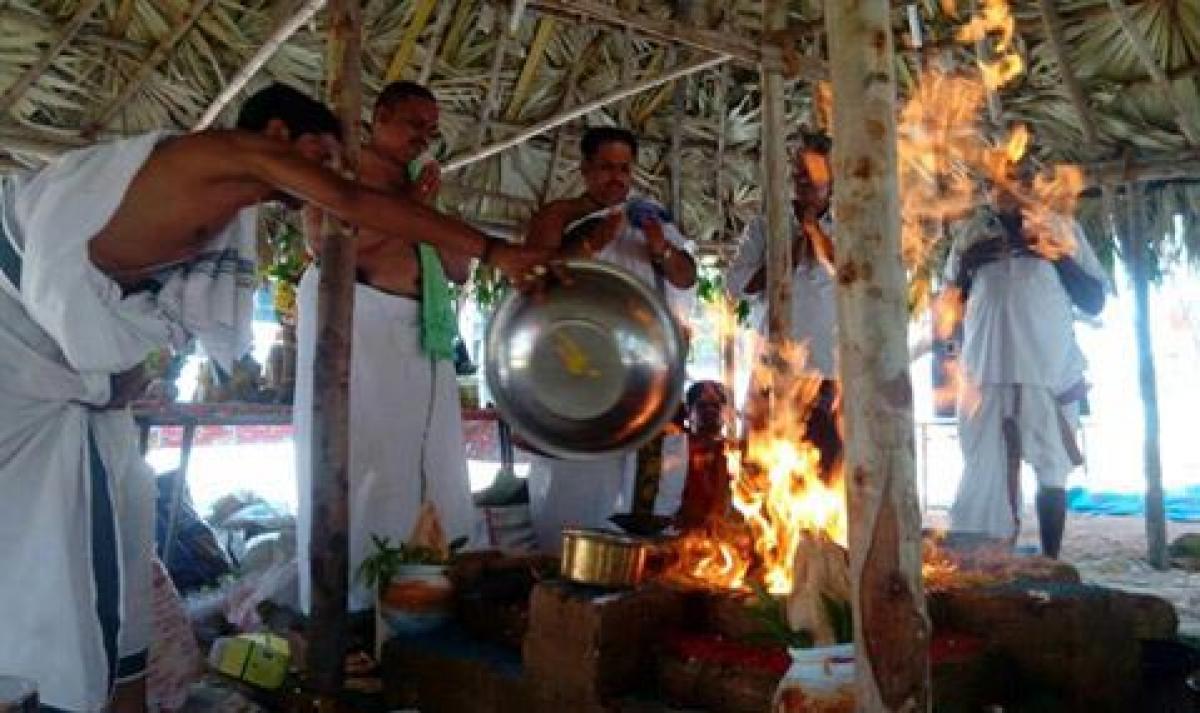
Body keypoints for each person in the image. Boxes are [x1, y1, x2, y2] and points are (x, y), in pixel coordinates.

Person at [0, 82, 543, 713]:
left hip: (65, 388)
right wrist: (497, 248)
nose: (328, 173)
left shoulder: (228, 210)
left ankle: (119, 697)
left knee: (117, 557)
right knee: (66, 571)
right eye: (321, 154)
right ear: (280, 135)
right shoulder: (226, 153)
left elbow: (130, 306)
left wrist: (115, 371)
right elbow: (347, 200)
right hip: (23, 371)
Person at [294, 81, 479, 613]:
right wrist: (410, 207)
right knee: (364, 460)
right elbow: (328, 249)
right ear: (379, 117)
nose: (423, 138)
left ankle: (422, 588)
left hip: (421, 333)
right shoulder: (344, 172)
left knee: (426, 463)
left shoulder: (418, 182)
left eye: (430, 130)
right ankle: (351, 604)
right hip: (362, 324)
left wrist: (427, 209)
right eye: (412, 125)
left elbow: (459, 268)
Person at [523, 126, 698, 552]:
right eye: (605, 168)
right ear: (585, 170)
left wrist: (661, 250)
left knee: (644, 496)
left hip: (647, 375)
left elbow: (688, 275)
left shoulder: (650, 220)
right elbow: (532, 281)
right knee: (577, 492)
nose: (616, 178)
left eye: (624, 169)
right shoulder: (559, 217)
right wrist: (590, 243)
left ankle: (634, 587)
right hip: (579, 371)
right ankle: (566, 582)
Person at [944, 171, 1106, 558]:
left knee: (1052, 471)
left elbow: (1095, 300)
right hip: (984, 376)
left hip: (1046, 374)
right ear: (986, 191)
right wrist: (967, 266)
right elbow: (946, 313)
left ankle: (1052, 560)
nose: (1003, 189)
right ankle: (991, 561)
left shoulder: (1060, 229)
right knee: (986, 472)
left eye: (1013, 179)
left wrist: (1054, 253)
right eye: (994, 181)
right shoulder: (970, 236)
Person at [727, 134, 841, 480]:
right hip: (771, 371)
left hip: (828, 375)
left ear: (833, 179)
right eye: (799, 175)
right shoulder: (764, 227)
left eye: (816, 176)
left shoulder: (852, 227)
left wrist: (815, 233)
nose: (805, 183)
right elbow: (737, 287)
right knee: (762, 474)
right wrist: (790, 246)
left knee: (824, 475)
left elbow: (852, 277)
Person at [676, 380, 732, 529]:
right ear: (688, 411)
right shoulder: (676, 448)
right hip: (684, 537)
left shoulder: (734, 452)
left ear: (725, 412)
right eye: (702, 405)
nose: (710, 410)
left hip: (727, 540)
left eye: (715, 405)